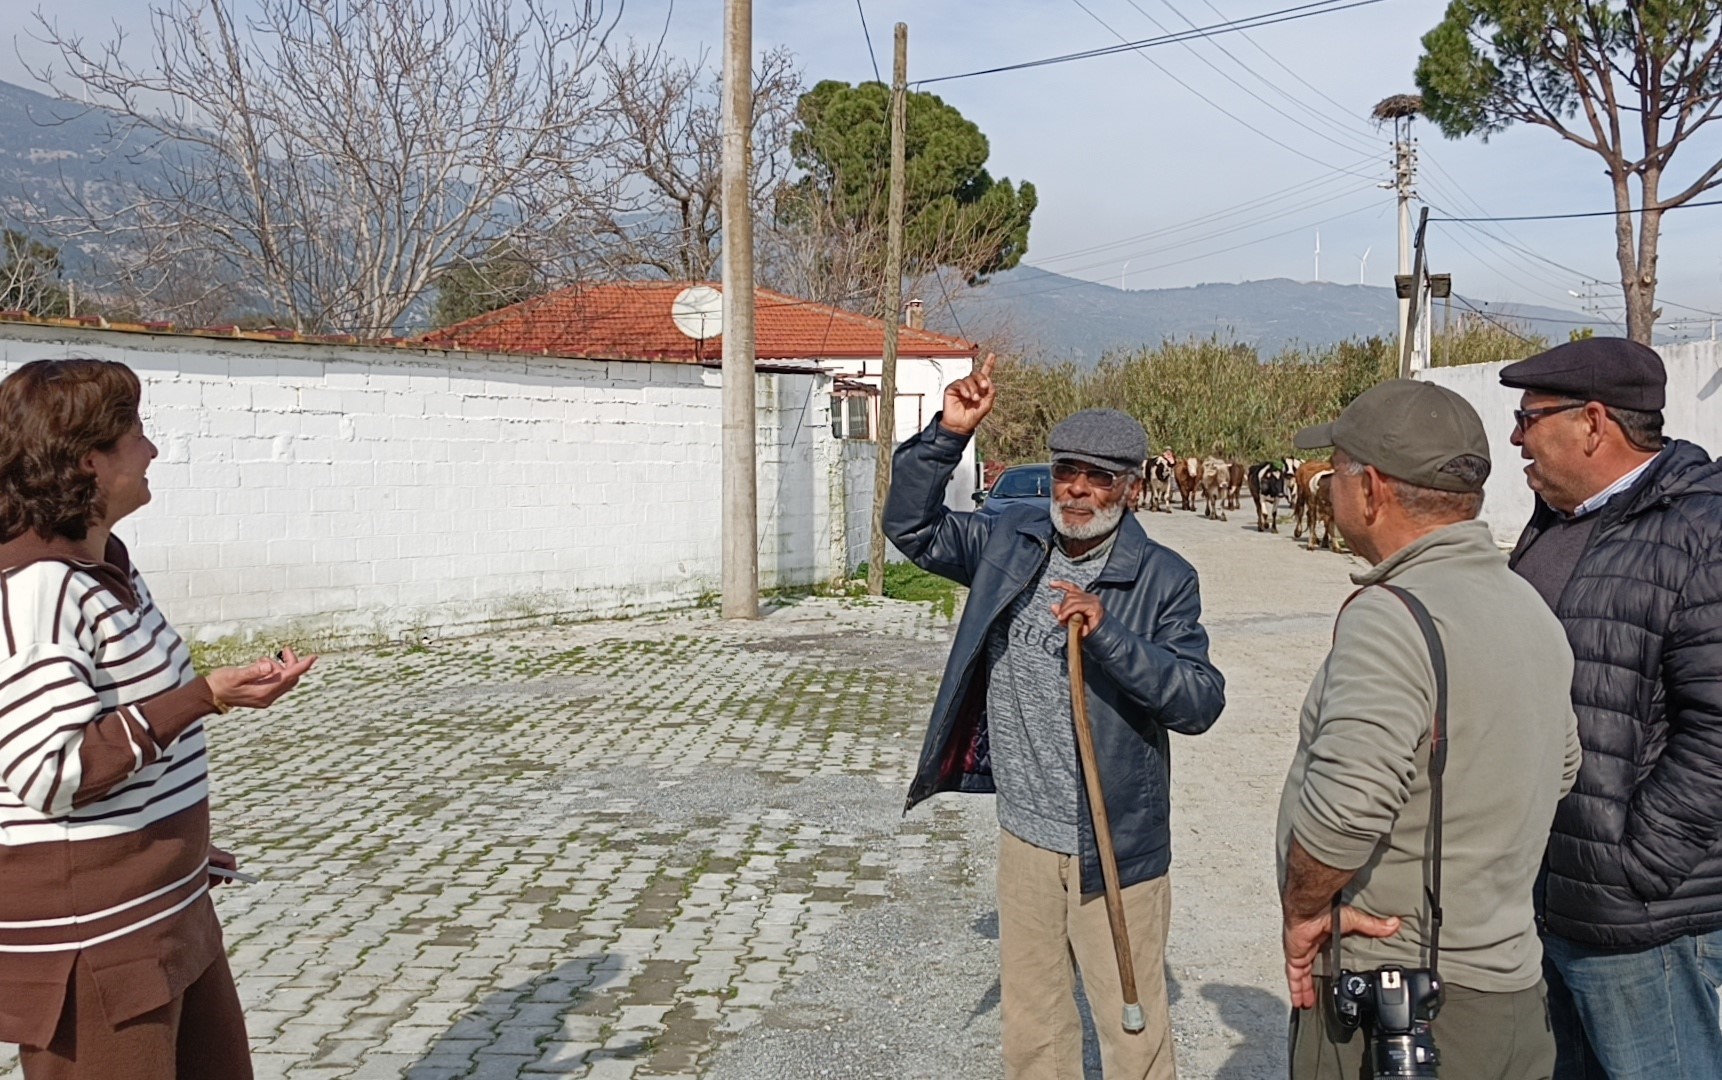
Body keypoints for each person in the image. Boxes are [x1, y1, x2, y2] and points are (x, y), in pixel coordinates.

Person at [885, 354, 1226, 1079]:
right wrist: (947, 435)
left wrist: (1110, 637)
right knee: (1034, 1027)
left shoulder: (1163, 578)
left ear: (1129, 490)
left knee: (1132, 1032)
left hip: (1115, 845)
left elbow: (1199, 701)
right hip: (1025, 836)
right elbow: (912, 528)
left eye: (1099, 476)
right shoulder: (1009, 541)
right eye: (1068, 469)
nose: (1077, 488)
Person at [0, 359, 317, 1080]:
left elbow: (127, 732)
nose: (152, 450)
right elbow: (50, 771)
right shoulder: (38, 593)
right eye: (136, 434)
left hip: (166, 909)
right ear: (88, 461)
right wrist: (203, 696)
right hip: (99, 945)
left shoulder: (107, 565)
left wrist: (177, 848)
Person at [1278, 380, 1580, 1079]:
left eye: (1339, 473)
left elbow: (1344, 813)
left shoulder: (1392, 615)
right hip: (1508, 993)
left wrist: (1304, 912)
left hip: (1401, 1001)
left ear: (1373, 488)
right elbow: (1560, 768)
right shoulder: (1528, 604)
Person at [1497, 337, 1722, 1079]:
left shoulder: (1699, 529)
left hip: (1640, 923)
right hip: (1548, 895)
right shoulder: (1555, 523)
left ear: (1593, 422)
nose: (1515, 436)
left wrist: (1636, 861)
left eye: (1530, 417)